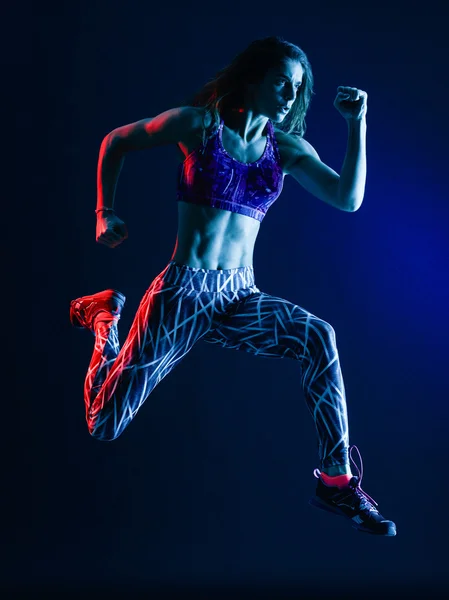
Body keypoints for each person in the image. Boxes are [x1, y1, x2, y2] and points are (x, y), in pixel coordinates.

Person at [70, 36, 396, 536]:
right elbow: (116, 141)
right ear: (253, 79)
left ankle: (336, 481)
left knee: (319, 336)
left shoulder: (283, 149)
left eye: (298, 88)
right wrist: (103, 213)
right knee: (103, 423)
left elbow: (348, 198)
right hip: (182, 294)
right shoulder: (199, 125)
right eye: (281, 83)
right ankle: (103, 317)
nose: (289, 96)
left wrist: (358, 124)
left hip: (238, 296)